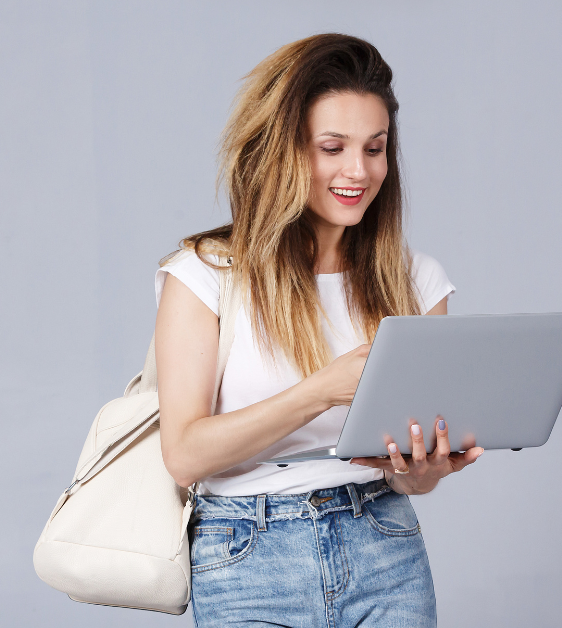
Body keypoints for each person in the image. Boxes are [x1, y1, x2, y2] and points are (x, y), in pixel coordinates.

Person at [153, 33, 484, 627]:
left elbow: (408, 478)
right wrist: (321, 391)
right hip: (246, 556)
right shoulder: (205, 275)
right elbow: (184, 454)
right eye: (332, 147)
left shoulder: (415, 282)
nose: (358, 170)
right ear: (283, 152)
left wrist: (421, 471)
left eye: (375, 148)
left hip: (383, 545)